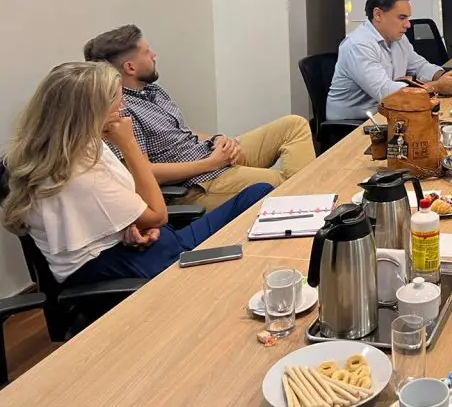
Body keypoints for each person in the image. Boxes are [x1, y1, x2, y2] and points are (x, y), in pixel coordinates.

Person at [1, 62, 273, 285]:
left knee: (260, 194)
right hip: (133, 267)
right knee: (251, 239)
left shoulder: (81, 146)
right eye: (116, 102)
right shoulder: (79, 174)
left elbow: (129, 205)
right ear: (91, 112)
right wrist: (129, 144)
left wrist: (136, 225)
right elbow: (158, 215)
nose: (123, 109)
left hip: (144, 244)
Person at [83, 25, 314, 211]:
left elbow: (182, 133)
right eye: (147, 51)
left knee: (294, 125)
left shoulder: (152, 90)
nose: (154, 55)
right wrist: (211, 163)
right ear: (130, 67)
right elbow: (143, 172)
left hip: (210, 155)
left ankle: (310, 203)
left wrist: (218, 140)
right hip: (198, 183)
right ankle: (310, 208)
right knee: (284, 186)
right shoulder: (120, 111)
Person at [327, 0, 452, 122]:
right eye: (402, 18)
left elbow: (419, 66)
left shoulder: (398, 38)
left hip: (390, 113)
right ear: (378, 15)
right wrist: (437, 86)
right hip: (355, 124)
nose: (408, 25)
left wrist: (445, 77)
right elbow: (385, 92)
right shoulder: (358, 45)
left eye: (408, 18)